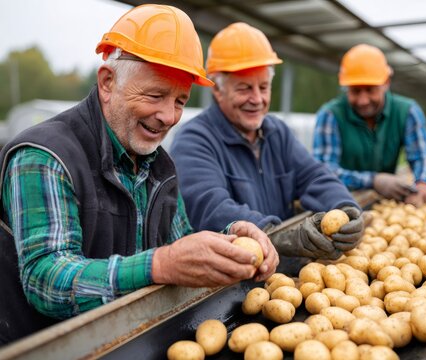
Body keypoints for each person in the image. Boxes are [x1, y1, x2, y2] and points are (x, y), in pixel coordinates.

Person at [0, 5, 278, 345]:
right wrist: (159, 265)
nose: (168, 115)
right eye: (155, 95)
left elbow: (179, 246)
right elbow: (46, 279)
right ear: (107, 82)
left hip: (127, 344)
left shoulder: (159, 165)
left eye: (180, 100)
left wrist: (230, 239)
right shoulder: (44, 155)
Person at [170, 22, 366, 262]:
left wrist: (345, 206)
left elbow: (314, 176)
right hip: (232, 277)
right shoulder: (195, 140)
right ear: (218, 90)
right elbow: (211, 208)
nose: (257, 99)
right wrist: (280, 235)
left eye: (263, 87)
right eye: (244, 88)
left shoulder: (277, 132)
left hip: (281, 272)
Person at [313, 44, 426, 207]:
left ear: (386, 82)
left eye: (370, 90)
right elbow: (323, 171)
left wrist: (424, 187)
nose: (363, 100)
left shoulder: (407, 111)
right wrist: (373, 181)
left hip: (387, 204)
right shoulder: (330, 115)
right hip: (340, 204)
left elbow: (424, 157)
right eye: (355, 91)